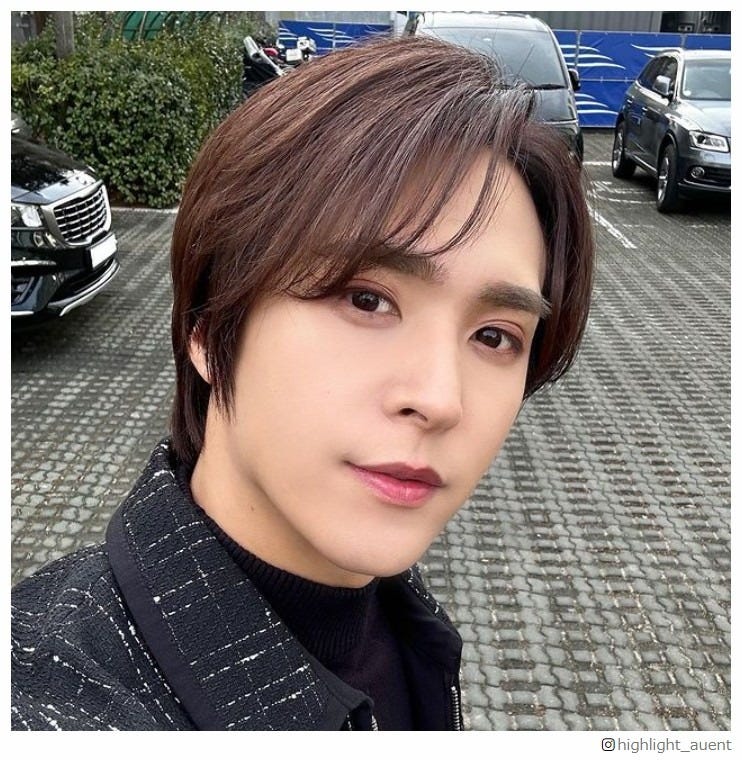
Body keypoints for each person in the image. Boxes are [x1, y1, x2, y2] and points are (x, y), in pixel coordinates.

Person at [11, 35, 594, 731]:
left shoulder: (406, 631)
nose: (441, 400)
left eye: (494, 337)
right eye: (366, 300)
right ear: (209, 328)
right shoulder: (50, 697)